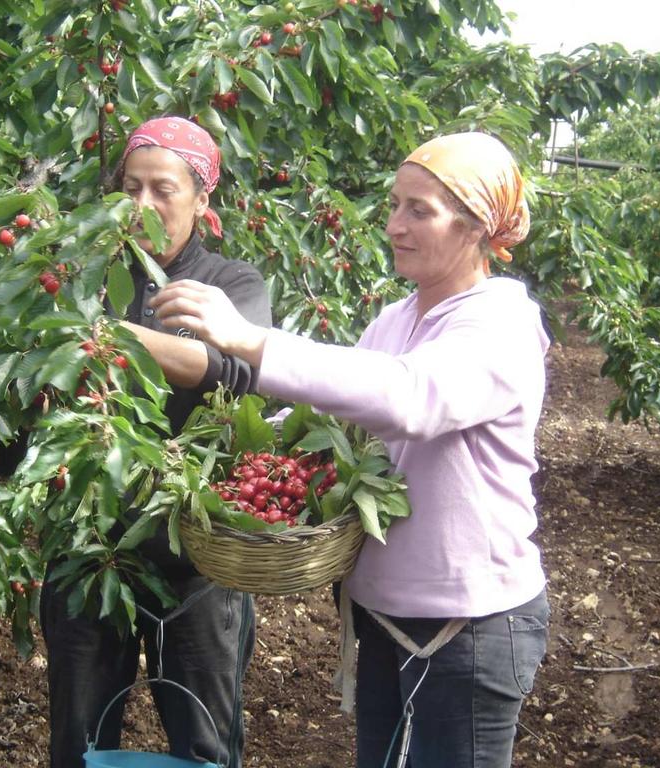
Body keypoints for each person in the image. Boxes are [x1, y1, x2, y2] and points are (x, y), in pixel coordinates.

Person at [150, 132, 551, 768]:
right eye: (395, 205)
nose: (394, 225)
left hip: (469, 629)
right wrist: (223, 453)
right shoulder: (395, 319)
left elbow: (409, 398)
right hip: (385, 617)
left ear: (477, 225)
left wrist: (253, 342)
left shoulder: (500, 323)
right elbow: (330, 416)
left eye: (420, 210)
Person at [39, 117, 272, 768]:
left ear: (202, 200)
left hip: (196, 559)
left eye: (162, 189)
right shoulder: (84, 274)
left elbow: (245, 373)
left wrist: (107, 337)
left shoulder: (230, 286)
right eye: (130, 187)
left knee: (204, 741)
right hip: (90, 552)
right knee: (79, 741)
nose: (142, 204)